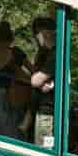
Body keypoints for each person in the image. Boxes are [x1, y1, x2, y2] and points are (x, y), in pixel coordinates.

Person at [0, 21, 30, 139]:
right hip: (12, 99)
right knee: (10, 134)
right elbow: (33, 73)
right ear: (11, 37)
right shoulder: (16, 53)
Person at [27, 16, 58, 148]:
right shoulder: (46, 53)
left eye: (37, 33)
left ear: (44, 32)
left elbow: (35, 80)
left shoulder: (55, 55)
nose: (36, 37)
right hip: (43, 111)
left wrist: (39, 80)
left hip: (47, 115)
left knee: (43, 149)